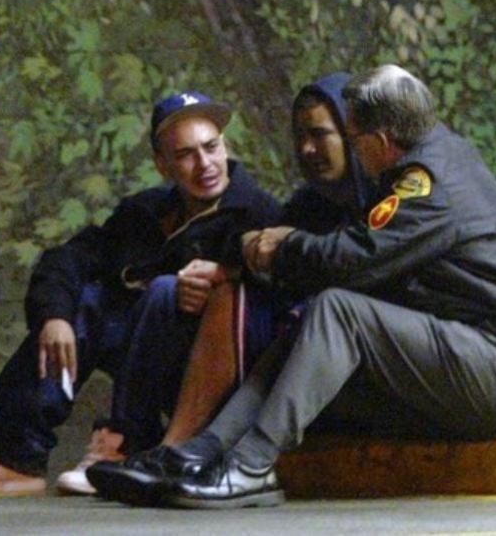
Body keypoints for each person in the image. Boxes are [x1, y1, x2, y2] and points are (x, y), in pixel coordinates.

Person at [93, 64, 496, 509]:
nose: (350, 151)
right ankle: (200, 452)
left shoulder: (428, 183)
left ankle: (250, 467)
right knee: (307, 328)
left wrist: (284, 248)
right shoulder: (432, 159)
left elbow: (358, 259)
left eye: (351, 138)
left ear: (378, 141)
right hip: (466, 355)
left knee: (339, 308)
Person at [0, 91, 282, 495]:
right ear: (162, 165)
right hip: (141, 355)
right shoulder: (144, 212)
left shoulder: (259, 214)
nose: (205, 165)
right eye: (185, 154)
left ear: (226, 147)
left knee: (163, 292)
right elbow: (69, 258)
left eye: (211, 147)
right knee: (79, 304)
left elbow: (282, 292)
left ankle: (126, 442)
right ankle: (11, 459)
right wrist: (54, 317)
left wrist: (224, 277)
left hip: (212, 377)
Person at [85, 72, 376, 504]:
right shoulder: (304, 205)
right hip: (287, 352)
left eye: (319, 135)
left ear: (354, 135)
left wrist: (234, 273)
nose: (307, 149)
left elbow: (350, 276)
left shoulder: (387, 199)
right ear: (162, 164)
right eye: (300, 137)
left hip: (349, 359)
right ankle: (131, 442)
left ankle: (173, 451)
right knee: (136, 294)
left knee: (230, 294)